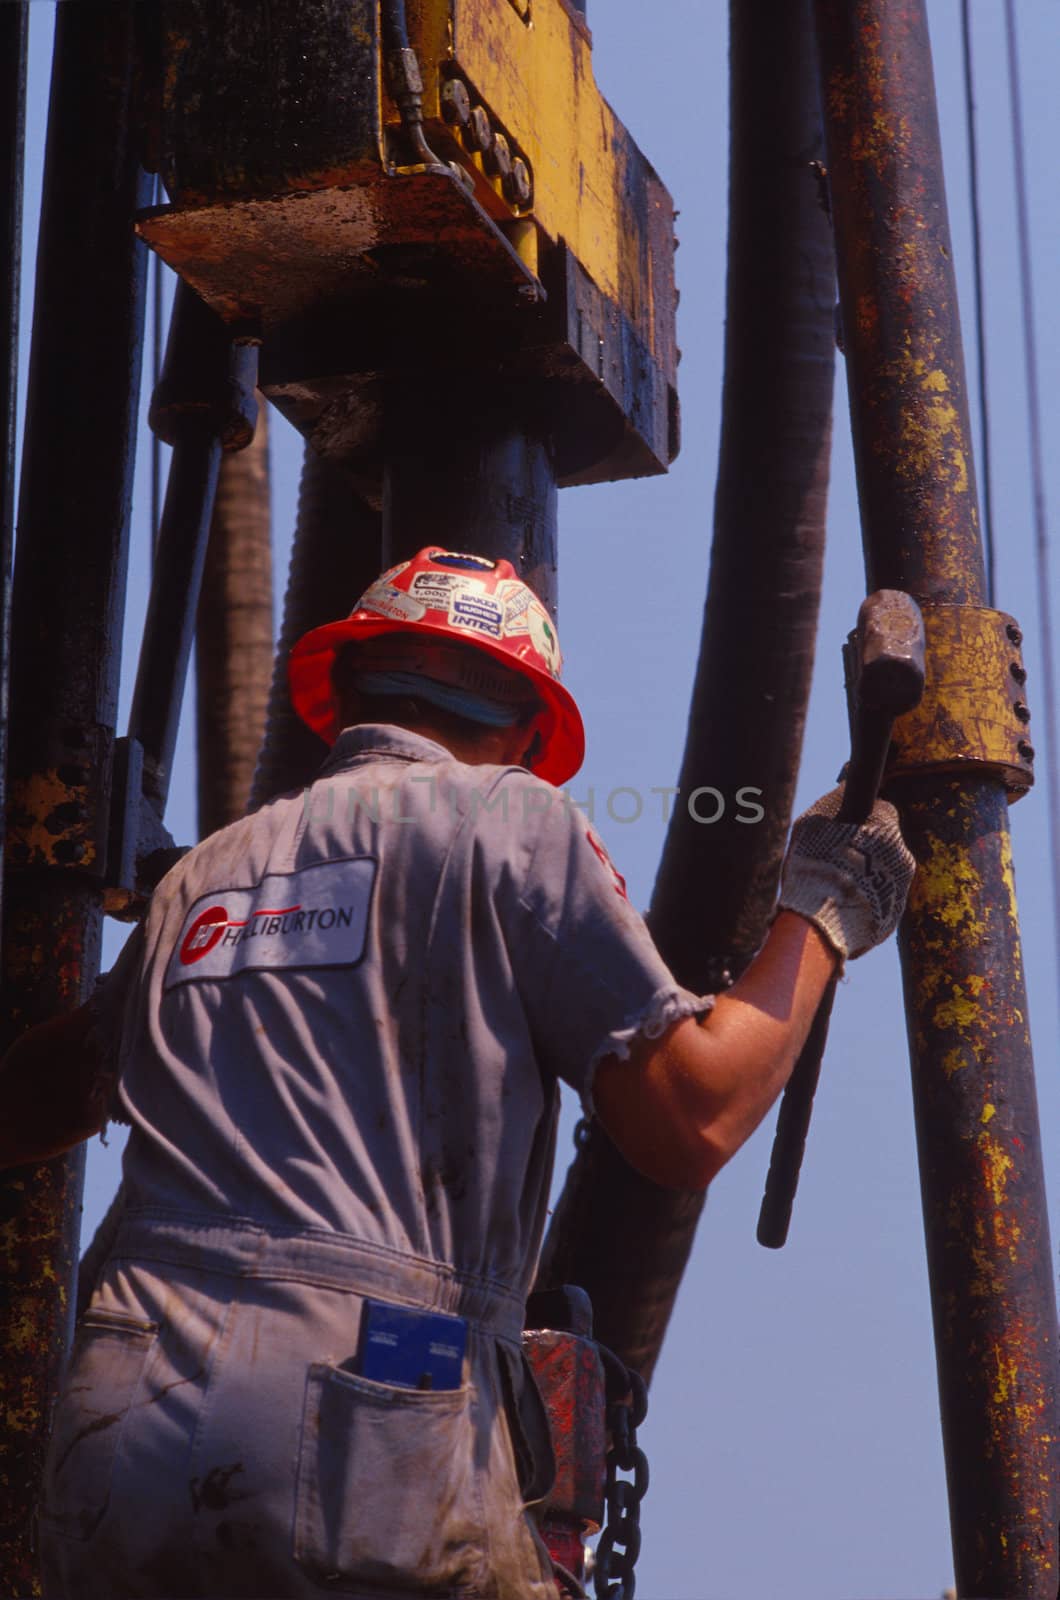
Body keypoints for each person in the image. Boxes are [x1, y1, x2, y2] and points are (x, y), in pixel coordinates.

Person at [1, 548, 915, 1599]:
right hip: (364, 1435)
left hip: (117, 1427)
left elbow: (34, 1097)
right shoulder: (512, 822)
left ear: (339, 696)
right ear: (530, 731)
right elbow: (687, 1119)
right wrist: (819, 913)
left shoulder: (201, 875)